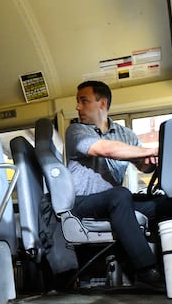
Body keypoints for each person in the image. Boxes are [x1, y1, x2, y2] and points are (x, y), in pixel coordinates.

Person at [65, 80, 166, 290]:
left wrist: (148, 162)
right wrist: (149, 150)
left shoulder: (125, 135)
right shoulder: (76, 131)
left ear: (102, 103)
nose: (77, 107)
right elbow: (105, 149)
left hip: (114, 205)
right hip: (82, 203)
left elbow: (142, 166)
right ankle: (147, 271)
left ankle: (170, 268)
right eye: (78, 102)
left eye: (84, 101)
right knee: (120, 194)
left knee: (164, 203)